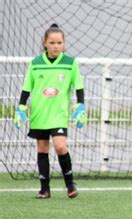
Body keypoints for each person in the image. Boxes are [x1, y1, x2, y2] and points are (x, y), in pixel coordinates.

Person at [14, 24, 86, 199]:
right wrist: (21, 107)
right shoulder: (36, 63)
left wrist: (81, 106)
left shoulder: (70, 63)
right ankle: (44, 189)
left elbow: (78, 86)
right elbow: (26, 88)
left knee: (61, 146)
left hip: (59, 114)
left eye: (59, 42)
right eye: (52, 42)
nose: (56, 46)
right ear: (45, 43)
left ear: (64, 44)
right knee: (42, 148)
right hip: (39, 114)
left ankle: (70, 184)